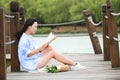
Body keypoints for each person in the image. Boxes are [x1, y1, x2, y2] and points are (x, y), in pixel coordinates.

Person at [17, 18, 86, 72]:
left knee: (50, 48)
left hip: (34, 59)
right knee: (52, 52)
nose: (36, 29)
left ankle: (72, 64)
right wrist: (40, 49)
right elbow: (28, 54)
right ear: (29, 26)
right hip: (30, 64)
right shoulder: (24, 39)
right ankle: (74, 64)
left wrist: (44, 46)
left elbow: (35, 51)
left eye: (37, 27)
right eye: (35, 27)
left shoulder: (29, 37)